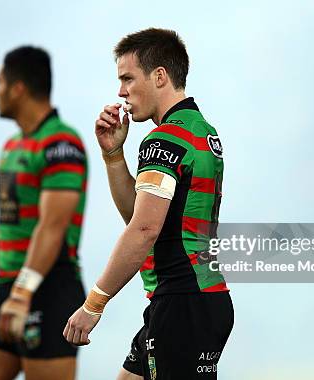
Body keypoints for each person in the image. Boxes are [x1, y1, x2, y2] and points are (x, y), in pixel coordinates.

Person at [63, 28, 233, 380]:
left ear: (159, 77)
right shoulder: (200, 129)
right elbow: (142, 218)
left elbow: (143, 230)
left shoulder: (164, 139)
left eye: (127, 78)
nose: (121, 91)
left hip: (182, 304)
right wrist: (113, 156)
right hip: (192, 299)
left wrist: (94, 303)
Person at [0, 46, 87, 380]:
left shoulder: (62, 144)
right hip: (7, 288)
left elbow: (51, 227)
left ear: (18, 88)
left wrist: (24, 292)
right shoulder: (11, 147)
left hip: (50, 290)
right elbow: (8, 221)